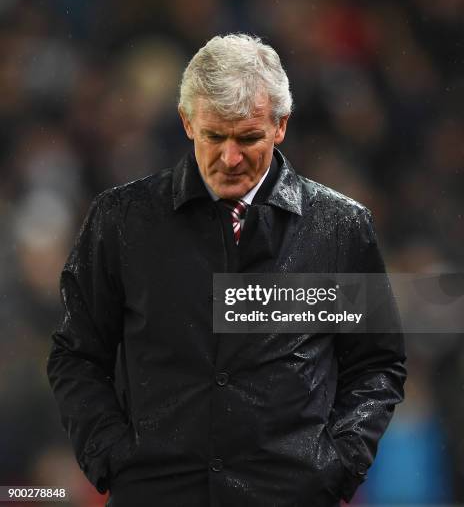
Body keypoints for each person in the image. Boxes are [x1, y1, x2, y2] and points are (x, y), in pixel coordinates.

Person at [47, 34, 406, 507]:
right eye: (215, 135)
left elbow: (377, 364)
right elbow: (76, 356)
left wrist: (338, 464)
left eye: (248, 137)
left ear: (281, 126)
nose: (230, 158)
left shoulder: (340, 227)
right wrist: (111, 456)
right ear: (186, 122)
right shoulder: (120, 220)